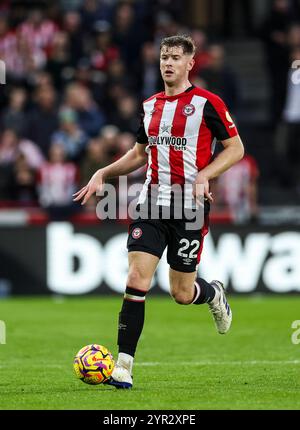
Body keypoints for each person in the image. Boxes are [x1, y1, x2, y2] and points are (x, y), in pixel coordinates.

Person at [73, 35, 244, 389]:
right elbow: (139, 154)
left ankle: (212, 294)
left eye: (176, 58)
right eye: (164, 57)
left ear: (189, 63)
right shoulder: (150, 105)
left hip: (190, 208)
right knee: (137, 279)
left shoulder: (208, 103)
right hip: (151, 202)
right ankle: (123, 366)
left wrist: (205, 174)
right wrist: (103, 171)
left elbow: (236, 149)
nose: (168, 63)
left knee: (181, 293)